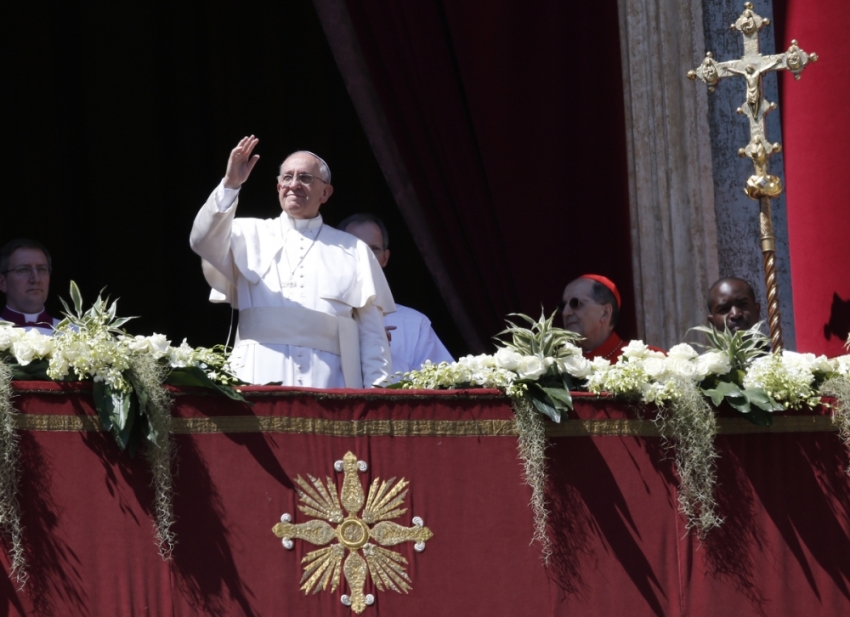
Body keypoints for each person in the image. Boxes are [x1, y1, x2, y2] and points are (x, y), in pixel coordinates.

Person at [190, 136, 394, 388]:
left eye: (305, 178)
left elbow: (373, 336)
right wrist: (231, 184)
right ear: (278, 188)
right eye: (287, 177)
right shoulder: (245, 233)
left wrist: (378, 395)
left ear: (326, 193)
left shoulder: (354, 250)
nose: (294, 184)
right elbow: (201, 240)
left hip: (330, 384)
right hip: (254, 376)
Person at [338, 213, 454, 373]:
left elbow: (442, 386)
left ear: (385, 258)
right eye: (356, 248)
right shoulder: (319, 315)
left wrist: (381, 353)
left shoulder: (415, 323)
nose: (366, 257)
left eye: (374, 249)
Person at [560, 274, 630, 361]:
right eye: (562, 306)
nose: (565, 313)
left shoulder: (644, 360)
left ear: (605, 313)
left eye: (575, 303)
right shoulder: (556, 368)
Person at [0, 238, 59, 334]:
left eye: (42, 269)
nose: (36, 279)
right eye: (24, 270)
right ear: (2, 282)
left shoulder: (75, 335)